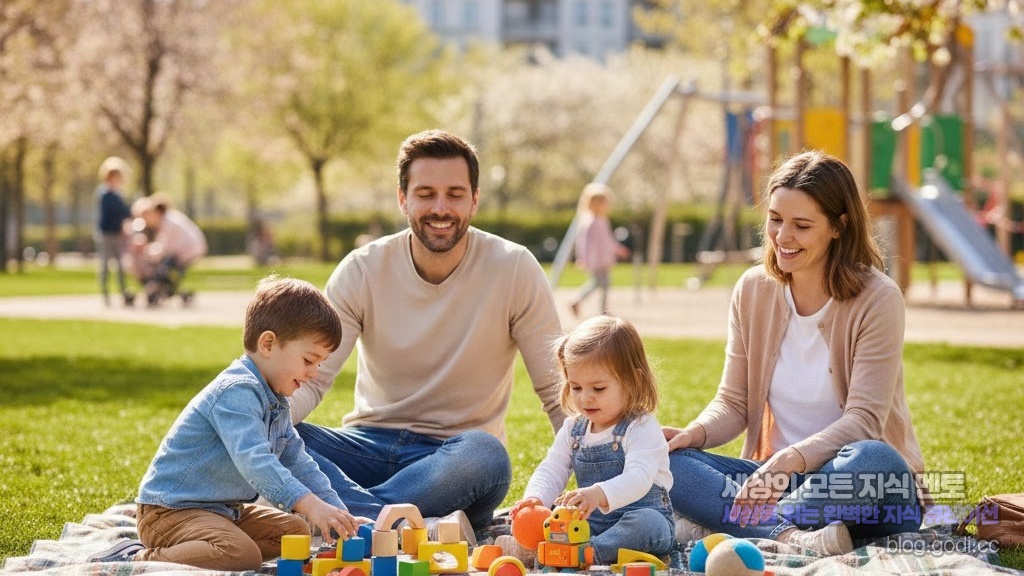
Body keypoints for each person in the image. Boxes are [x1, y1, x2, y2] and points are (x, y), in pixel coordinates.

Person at [291, 129, 565, 541]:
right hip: (365, 446)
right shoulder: (362, 269)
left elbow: (556, 391)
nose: (441, 208)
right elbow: (311, 380)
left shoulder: (514, 268)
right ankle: (407, 523)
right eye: (426, 193)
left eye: (455, 194)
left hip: (453, 461)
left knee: (486, 454)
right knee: (278, 431)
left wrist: (605, 472)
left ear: (474, 199)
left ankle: (347, 518)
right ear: (403, 199)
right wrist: (261, 427)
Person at [664, 151, 926, 555]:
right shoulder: (753, 290)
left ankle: (735, 528)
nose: (782, 237)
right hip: (774, 479)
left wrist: (789, 460)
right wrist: (692, 434)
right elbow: (733, 402)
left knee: (876, 459)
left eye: (801, 225)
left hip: (858, 482)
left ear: (838, 227)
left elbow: (864, 421)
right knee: (672, 464)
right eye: (775, 220)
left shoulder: (879, 300)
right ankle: (790, 537)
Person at [87, 277, 368, 570]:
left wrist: (337, 514)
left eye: (320, 364)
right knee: (240, 554)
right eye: (309, 360)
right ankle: (135, 558)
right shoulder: (236, 392)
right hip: (170, 513)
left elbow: (298, 461)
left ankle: (218, 549)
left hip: (222, 513)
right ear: (268, 343)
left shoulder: (276, 401)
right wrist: (309, 504)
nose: (314, 373)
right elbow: (256, 462)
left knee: (295, 532)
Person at [509, 315, 675, 565]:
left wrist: (598, 494)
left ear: (633, 381)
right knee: (554, 516)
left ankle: (588, 553)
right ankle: (546, 547)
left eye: (598, 389)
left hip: (639, 518)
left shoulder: (641, 427)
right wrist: (536, 498)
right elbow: (552, 467)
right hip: (587, 526)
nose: (585, 398)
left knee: (648, 525)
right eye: (576, 387)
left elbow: (639, 478)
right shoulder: (574, 429)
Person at [569, 183, 630, 317]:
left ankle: (601, 309)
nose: (605, 205)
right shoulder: (589, 222)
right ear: (593, 203)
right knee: (597, 284)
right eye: (602, 202)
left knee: (603, 284)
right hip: (595, 260)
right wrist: (582, 258)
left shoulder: (602, 221)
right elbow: (583, 243)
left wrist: (618, 250)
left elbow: (608, 241)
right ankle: (581, 302)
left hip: (604, 259)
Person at [137, 193, 208, 306]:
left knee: (165, 267)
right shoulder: (170, 218)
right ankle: (166, 289)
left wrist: (145, 251)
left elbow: (162, 248)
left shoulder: (168, 222)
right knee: (168, 267)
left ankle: (162, 289)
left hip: (189, 251)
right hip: (192, 248)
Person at [94, 157, 133, 307]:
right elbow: (117, 211)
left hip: (117, 233)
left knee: (120, 265)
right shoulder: (105, 194)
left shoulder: (118, 194)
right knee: (105, 265)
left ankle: (123, 292)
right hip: (106, 233)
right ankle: (105, 294)